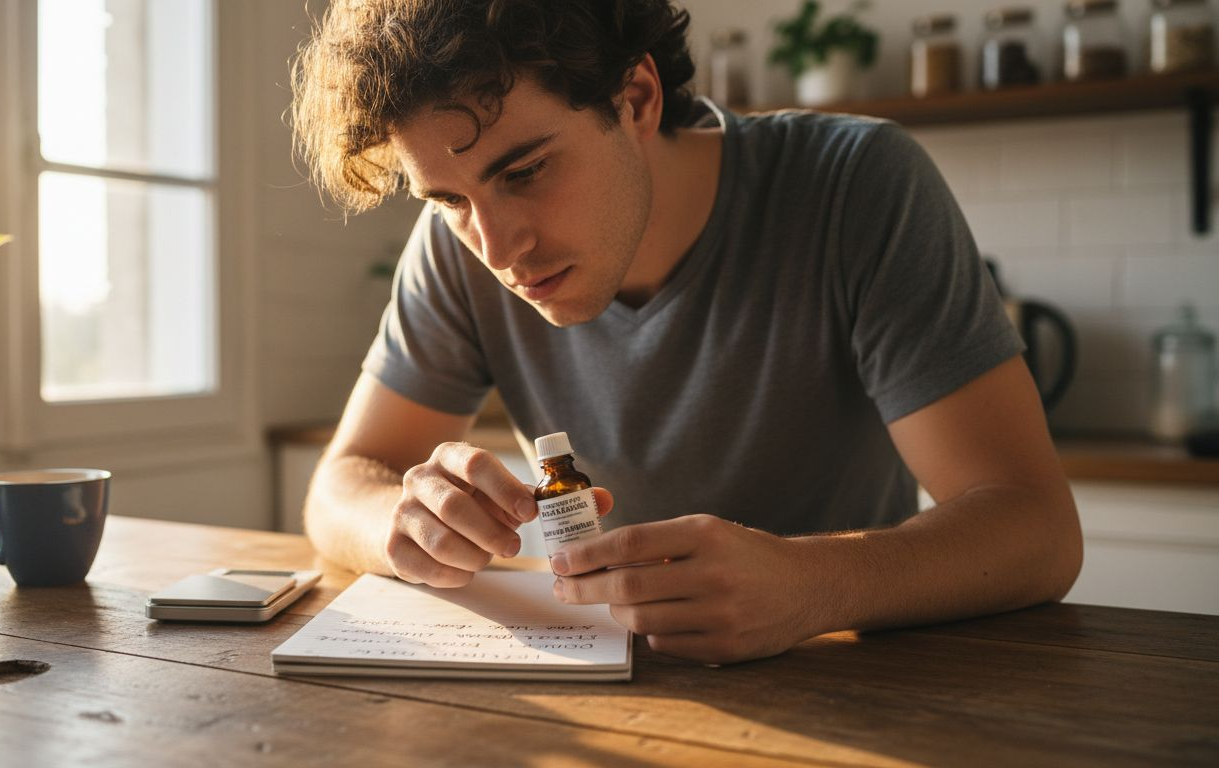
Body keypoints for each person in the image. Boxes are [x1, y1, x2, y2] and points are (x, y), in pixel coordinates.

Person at [290, 0, 1082, 665]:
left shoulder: (855, 184)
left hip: (846, 675)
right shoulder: (455, 250)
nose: (498, 251)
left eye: (524, 171)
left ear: (635, 98)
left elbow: (1036, 529)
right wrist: (401, 520)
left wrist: (815, 584)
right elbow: (341, 485)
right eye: (448, 201)